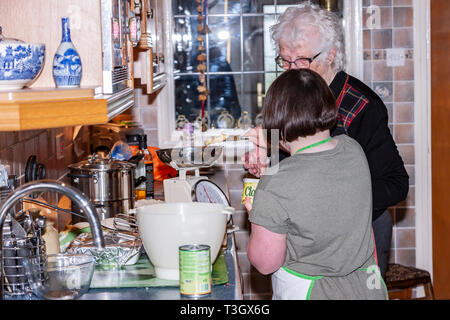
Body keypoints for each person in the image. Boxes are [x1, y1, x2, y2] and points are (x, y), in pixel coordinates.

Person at [243, 4, 409, 279]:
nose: (292, 71)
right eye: (285, 61)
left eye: (302, 61)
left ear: (331, 54)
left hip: (358, 238)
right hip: (303, 235)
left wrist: (341, 201)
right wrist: (265, 163)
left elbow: (396, 184)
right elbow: (288, 167)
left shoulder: (363, 105)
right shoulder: (289, 100)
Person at [246, 68, 388, 300]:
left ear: (274, 119)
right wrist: (271, 152)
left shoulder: (276, 183)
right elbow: (312, 166)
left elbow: (265, 263)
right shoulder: (353, 150)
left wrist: (258, 216)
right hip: (366, 288)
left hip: (311, 292)